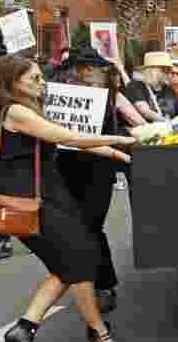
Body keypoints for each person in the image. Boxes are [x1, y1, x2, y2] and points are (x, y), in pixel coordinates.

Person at [0, 55, 136, 342]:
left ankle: (25, 329)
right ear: (12, 83)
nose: (43, 83)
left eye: (42, 77)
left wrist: (122, 155)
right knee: (80, 260)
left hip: (49, 197)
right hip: (27, 201)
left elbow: (73, 142)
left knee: (71, 264)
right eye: (34, 79)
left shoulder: (31, 110)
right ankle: (98, 331)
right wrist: (118, 139)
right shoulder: (15, 112)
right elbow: (68, 137)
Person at [54, 48, 143, 315]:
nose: (92, 75)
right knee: (75, 229)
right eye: (86, 69)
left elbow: (135, 118)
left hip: (98, 169)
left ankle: (102, 285)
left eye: (96, 70)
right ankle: (88, 281)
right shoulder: (56, 94)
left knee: (91, 226)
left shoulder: (111, 95)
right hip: (63, 166)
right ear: (76, 70)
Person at [126, 52, 178, 121]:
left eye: (170, 70)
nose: (169, 74)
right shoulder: (135, 86)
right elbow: (145, 112)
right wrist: (167, 122)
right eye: (165, 70)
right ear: (153, 71)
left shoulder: (169, 90)